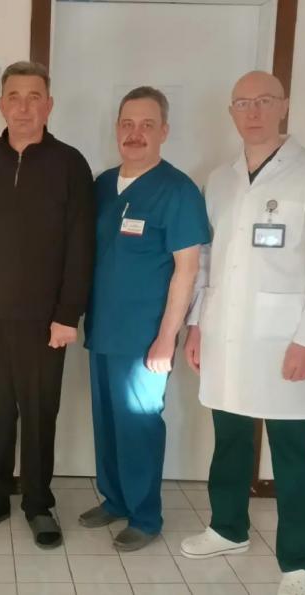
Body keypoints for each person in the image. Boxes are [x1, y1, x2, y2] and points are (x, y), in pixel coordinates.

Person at [179, 71, 305, 595]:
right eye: (242, 103)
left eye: (264, 101)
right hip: (224, 333)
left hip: (283, 338)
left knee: (292, 452)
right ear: (231, 111)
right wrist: (196, 325)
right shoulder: (220, 179)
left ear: (284, 106)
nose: (252, 112)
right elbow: (206, 261)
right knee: (229, 440)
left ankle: (298, 563)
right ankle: (228, 527)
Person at [0, 61, 95, 549]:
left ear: (49, 105)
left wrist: (67, 315)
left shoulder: (70, 164)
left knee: (39, 413)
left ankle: (38, 503)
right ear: (1, 104)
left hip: (45, 320)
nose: (23, 107)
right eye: (14, 97)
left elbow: (82, 245)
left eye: (34, 96)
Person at [78, 87, 210, 551]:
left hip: (145, 336)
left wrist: (166, 338)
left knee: (139, 425)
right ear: (117, 128)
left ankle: (145, 516)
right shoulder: (102, 185)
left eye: (147, 125)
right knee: (107, 422)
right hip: (102, 328)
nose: (135, 134)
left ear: (164, 131)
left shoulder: (177, 191)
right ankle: (114, 499)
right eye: (127, 124)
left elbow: (187, 269)